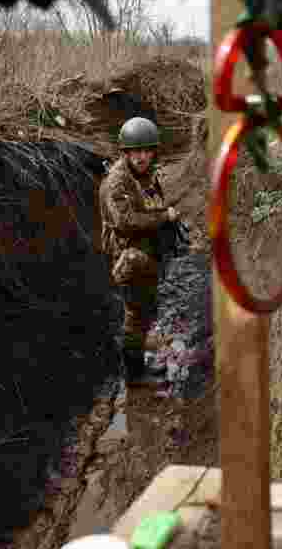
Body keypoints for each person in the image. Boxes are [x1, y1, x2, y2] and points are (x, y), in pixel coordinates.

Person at [99, 116, 179, 386]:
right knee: (135, 313)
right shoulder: (116, 183)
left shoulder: (145, 175)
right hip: (127, 255)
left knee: (146, 307)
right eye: (136, 151)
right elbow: (125, 221)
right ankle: (134, 376)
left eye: (147, 150)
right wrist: (163, 218)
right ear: (126, 152)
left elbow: (151, 205)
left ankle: (138, 362)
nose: (142, 156)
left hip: (145, 251)